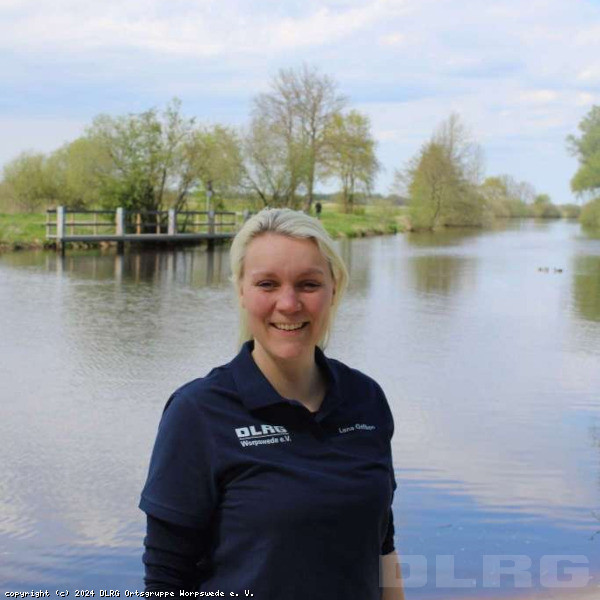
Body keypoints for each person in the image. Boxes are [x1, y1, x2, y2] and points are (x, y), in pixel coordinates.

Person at [139, 207, 405, 599]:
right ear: (242, 292)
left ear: (334, 288)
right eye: (267, 284)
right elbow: (165, 582)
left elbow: (382, 545)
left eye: (308, 284)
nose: (288, 303)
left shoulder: (366, 399)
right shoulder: (198, 412)